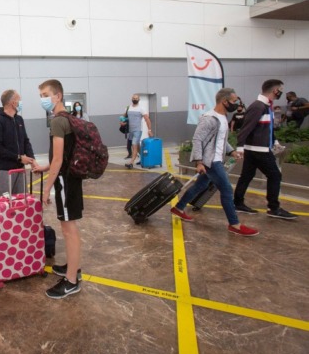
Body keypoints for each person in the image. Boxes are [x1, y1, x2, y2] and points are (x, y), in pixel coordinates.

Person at [170, 88, 258, 236]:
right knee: (227, 190)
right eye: (234, 101)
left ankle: (178, 208)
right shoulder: (209, 118)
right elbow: (197, 140)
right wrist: (199, 161)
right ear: (224, 101)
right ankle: (234, 224)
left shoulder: (223, 117)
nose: (236, 104)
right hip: (211, 161)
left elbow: (221, 140)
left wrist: (231, 151)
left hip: (216, 159)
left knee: (200, 185)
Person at [32, 79, 83, 299]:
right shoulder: (69, 119)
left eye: (45, 94)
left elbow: (59, 159)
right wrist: (46, 167)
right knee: (69, 228)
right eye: (41, 95)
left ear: (58, 96)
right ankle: (73, 267)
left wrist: (46, 189)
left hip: (65, 182)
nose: (42, 98)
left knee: (68, 230)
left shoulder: (57, 122)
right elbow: (60, 158)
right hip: (71, 179)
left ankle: (72, 281)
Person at [233, 79, 298, 220]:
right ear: (275, 91)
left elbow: (267, 128)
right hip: (259, 150)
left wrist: (274, 141)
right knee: (275, 176)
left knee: (247, 175)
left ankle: (238, 202)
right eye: (280, 89)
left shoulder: (266, 106)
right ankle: (273, 208)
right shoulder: (258, 106)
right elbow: (245, 128)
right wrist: (240, 147)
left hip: (257, 149)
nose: (281, 92)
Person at [0, 89, 36, 197]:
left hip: (20, 170)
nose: (21, 103)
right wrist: (19, 157)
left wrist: (32, 160)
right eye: (19, 100)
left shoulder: (19, 120)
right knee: (4, 205)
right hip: (4, 171)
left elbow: (25, 141)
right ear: (13, 103)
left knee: (21, 203)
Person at [124, 94, 153, 169]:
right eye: (133, 98)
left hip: (137, 130)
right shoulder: (128, 107)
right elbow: (124, 117)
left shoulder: (141, 108)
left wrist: (149, 130)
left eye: (136, 98)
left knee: (134, 145)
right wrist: (122, 122)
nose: (135, 99)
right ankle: (143, 158)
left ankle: (131, 162)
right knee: (137, 145)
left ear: (139, 100)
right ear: (131, 99)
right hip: (130, 131)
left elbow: (147, 119)